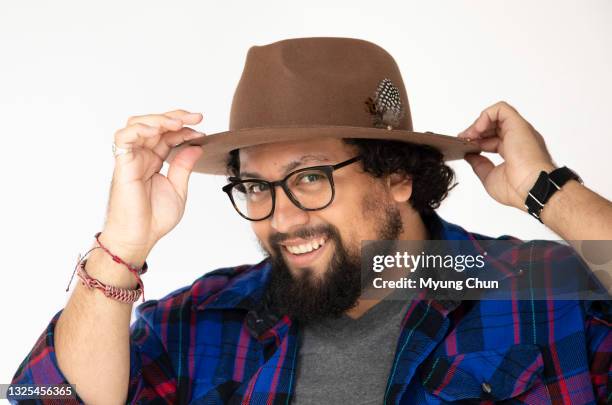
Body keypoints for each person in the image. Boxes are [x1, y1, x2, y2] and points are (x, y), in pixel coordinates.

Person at [11, 37, 611, 404]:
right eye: (255, 187)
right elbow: (42, 397)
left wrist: (547, 190)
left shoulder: (534, 289)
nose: (282, 218)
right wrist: (119, 246)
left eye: (308, 178)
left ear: (397, 176)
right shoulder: (205, 319)